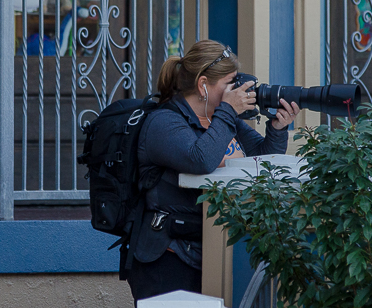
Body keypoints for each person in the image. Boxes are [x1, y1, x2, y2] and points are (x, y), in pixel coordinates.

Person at [128, 39, 300, 303]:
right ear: (203, 84)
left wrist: (277, 128)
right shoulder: (164, 123)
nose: (239, 90)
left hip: (216, 251)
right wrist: (228, 111)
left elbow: (262, 160)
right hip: (171, 258)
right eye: (231, 83)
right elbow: (201, 159)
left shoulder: (220, 118)